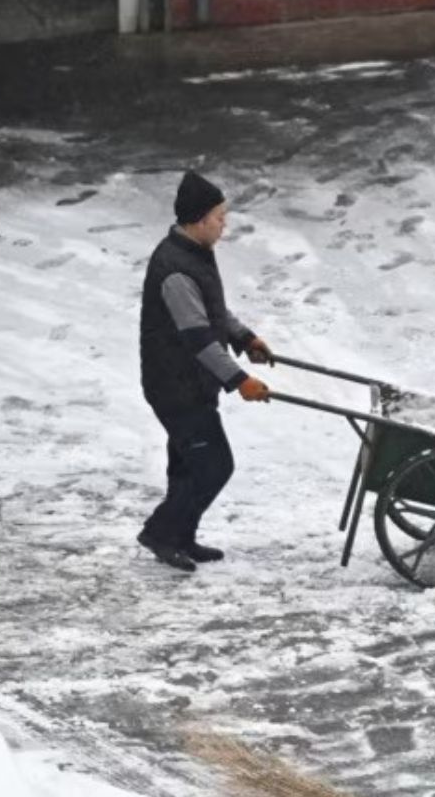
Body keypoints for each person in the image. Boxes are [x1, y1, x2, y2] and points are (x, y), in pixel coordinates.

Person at [137, 170, 273, 573]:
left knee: (188, 464)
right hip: (175, 385)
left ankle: (181, 536)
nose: (224, 223)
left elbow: (212, 312)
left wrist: (244, 337)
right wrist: (240, 380)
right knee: (214, 465)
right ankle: (160, 533)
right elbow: (198, 338)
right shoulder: (175, 269)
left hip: (189, 383)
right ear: (198, 220)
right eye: (218, 216)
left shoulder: (193, 254)